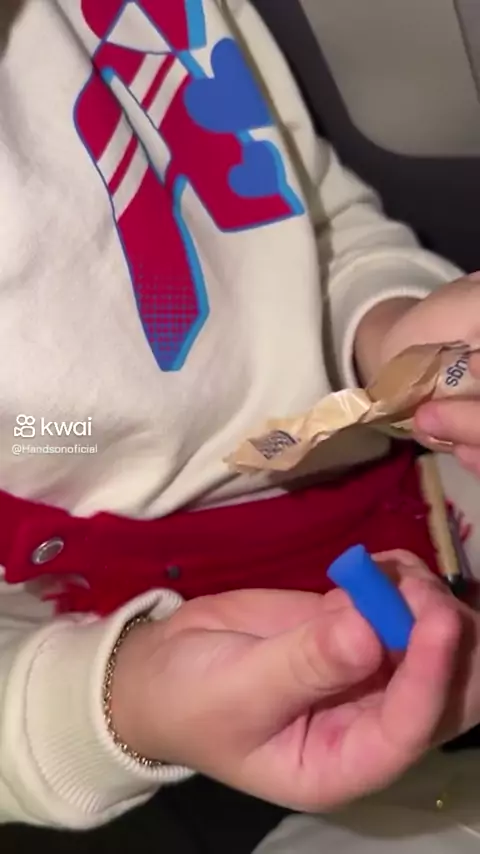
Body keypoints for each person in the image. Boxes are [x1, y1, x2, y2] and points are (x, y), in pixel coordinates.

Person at [1, 0, 480, 841]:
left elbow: (311, 217)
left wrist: (389, 331)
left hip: (409, 485)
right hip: (187, 669)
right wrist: (124, 706)